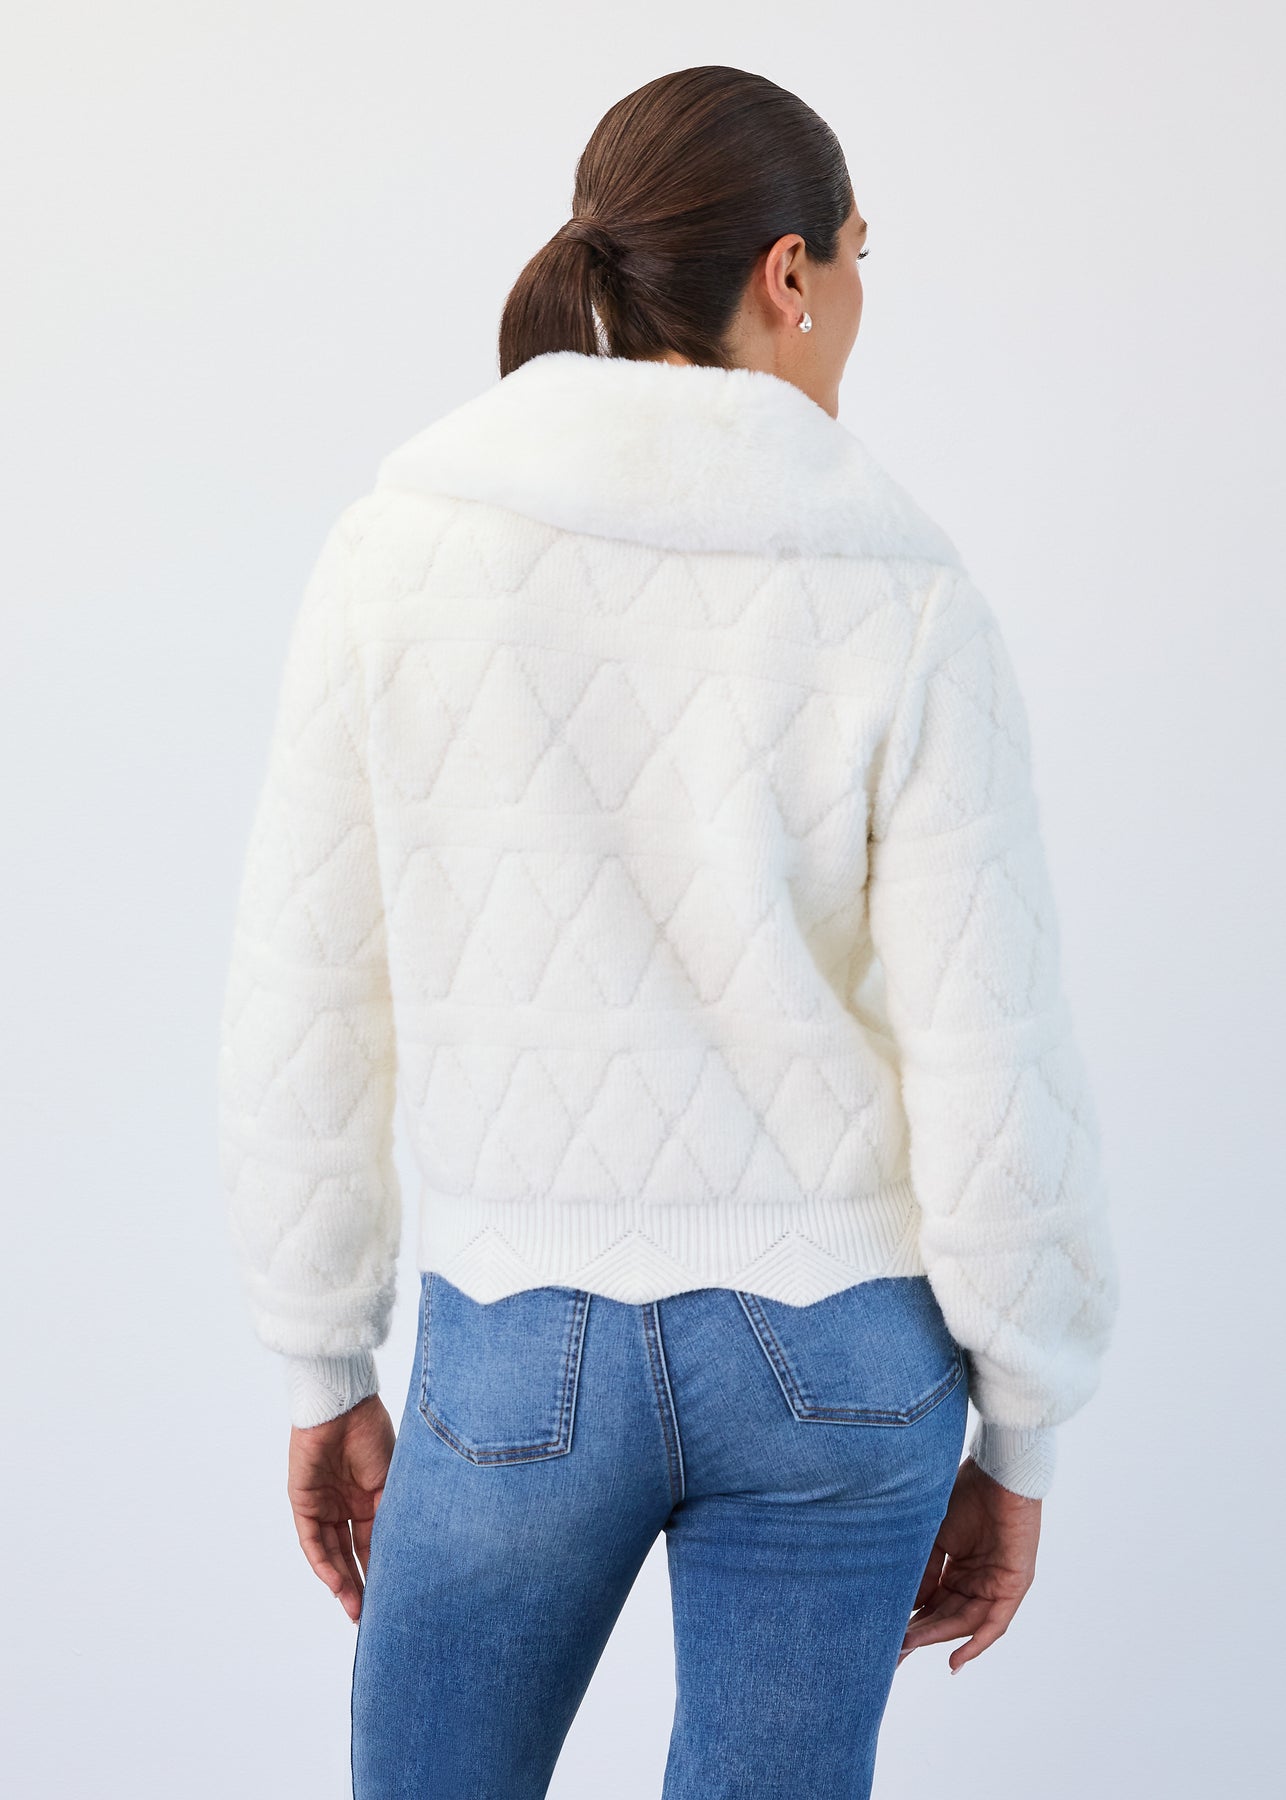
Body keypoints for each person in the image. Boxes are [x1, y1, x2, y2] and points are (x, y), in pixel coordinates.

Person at [217, 63, 1118, 1800]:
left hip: (513, 1338)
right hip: (839, 1346)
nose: (855, 301)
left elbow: (307, 983)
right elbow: (992, 1045)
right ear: (790, 274)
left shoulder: (401, 548)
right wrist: (1022, 1427)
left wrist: (317, 1354)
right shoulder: (903, 588)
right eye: (855, 258)